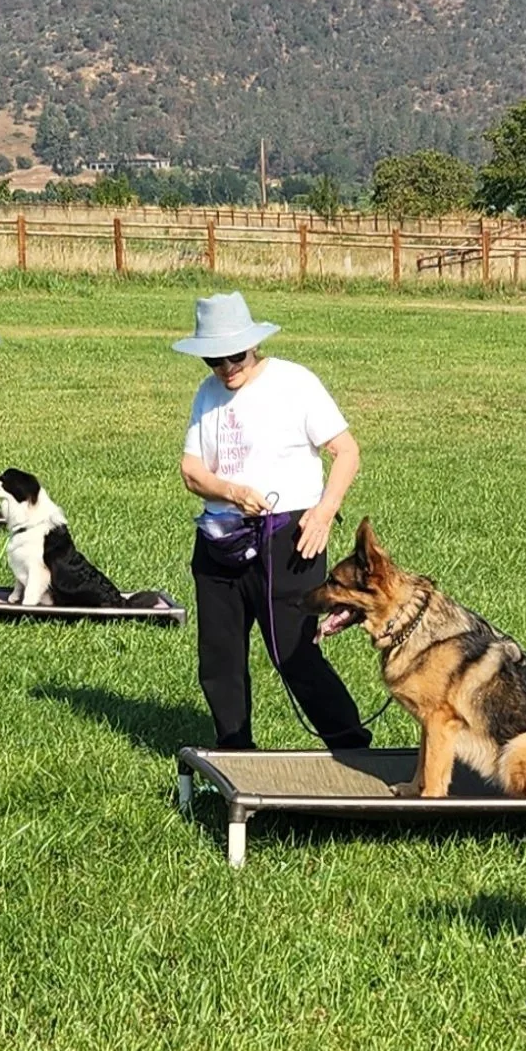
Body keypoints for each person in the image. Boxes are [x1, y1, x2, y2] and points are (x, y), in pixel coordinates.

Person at [175, 291, 373, 753]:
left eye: (234, 356)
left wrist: (324, 512)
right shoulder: (206, 395)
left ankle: (352, 748)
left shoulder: (295, 383)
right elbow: (191, 471)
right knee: (219, 659)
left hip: (290, 539)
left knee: (294, 653)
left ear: (253, 346)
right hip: (220, 539)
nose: (226, 368)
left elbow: (347, 451)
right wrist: (232, 492)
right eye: (214, 360)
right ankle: (234, 752)